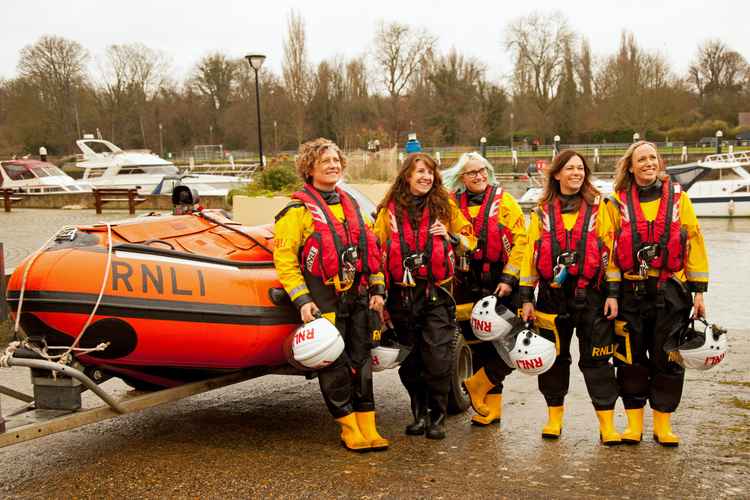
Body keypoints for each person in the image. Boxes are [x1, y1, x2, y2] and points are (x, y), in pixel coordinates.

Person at [273, 138, 388, 452]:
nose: (333, 165)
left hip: (359, 297)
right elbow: (285, 260)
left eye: (336, 160)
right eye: (325, 161)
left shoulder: (352, 207)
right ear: (309, 168)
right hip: (324, 301)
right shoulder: (296, 212)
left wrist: (377, 288)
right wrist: (302, 300)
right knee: (335, 366)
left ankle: (368, 424)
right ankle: (348, 427)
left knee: (362, 363)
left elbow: (371, 252)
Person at [605, 141, 708, 447]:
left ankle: (663, 424)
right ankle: (634, 424)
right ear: (630, 167)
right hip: (630, 294)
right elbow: (609, 253)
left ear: (659, 163)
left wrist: (698, 292)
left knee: (668, 360)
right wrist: (611, 293)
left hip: (670, 294)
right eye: (641, 159)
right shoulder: (615, 203)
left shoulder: (679, 199)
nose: (648, 163)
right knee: (630, 360)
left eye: (653, 158)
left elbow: (694, 243)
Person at [520, 149, 621, 445]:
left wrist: (613, 293)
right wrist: (526, 297)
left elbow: (610, 254)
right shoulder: (540, 212)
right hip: (551, 297)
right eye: (570, 168)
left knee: (598, 362)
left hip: (592, 295)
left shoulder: (600, 208)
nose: (577, 173)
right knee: (553, 360)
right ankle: (554, 418)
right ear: (557, 174)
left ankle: (607, 424)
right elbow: (530, 256)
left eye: (581, 169)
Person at [373, 152, 476, 440]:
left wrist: (452, 237)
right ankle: (419, 414)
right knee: (412, 362)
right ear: (407, 175)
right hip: (402, 297)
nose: (425, 177)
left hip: (437, 295)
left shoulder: (446, 208)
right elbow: (376, 251)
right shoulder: (388, 211)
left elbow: (471, 241)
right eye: (419, 172)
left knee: (438, 359)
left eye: (430, 172)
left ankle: (438, 416)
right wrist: (378, 293)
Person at [442, 152, 528, 426]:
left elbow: (521, 243)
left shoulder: (505, 202)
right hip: (467, 284)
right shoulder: (451, 205)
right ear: (461, 178)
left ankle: (477, 385)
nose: (478, 176)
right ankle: (489, 409)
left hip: (501, 283)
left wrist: (509, 278)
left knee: (514, 346)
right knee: (481, 347)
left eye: (482, 171)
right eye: (471, 173)